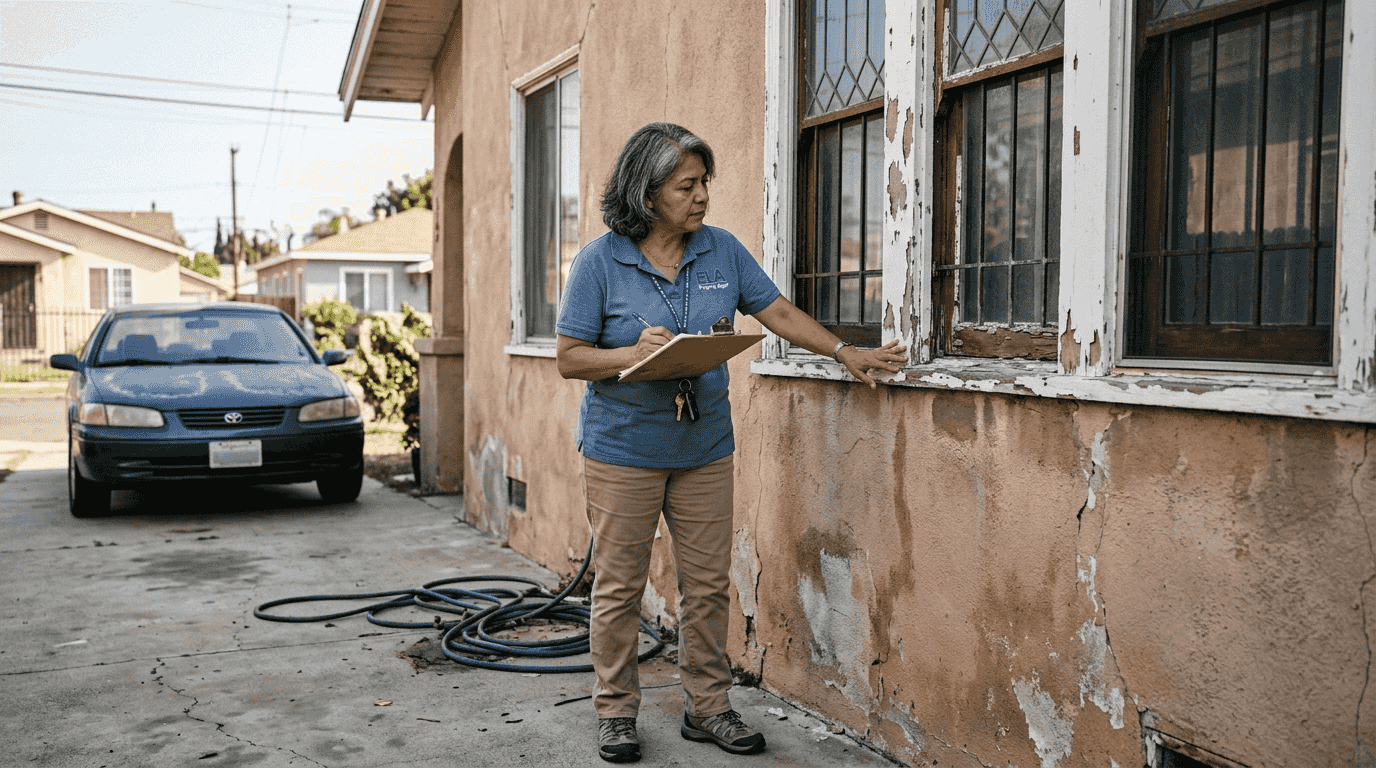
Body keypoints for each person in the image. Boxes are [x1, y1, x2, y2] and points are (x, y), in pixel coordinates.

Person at [555, 122, 907, 763]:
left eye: (704, 183)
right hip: (622, 449)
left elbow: (776, 311)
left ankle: (708, 708)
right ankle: (615, 714)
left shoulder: (721, 251)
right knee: (619, 588)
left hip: (704, 448)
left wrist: (844, 351)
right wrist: (629, 354)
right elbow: (570, 358)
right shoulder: (600, 262)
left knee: (708, 586)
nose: (701, 196)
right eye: (686, 185)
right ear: (647, 191)